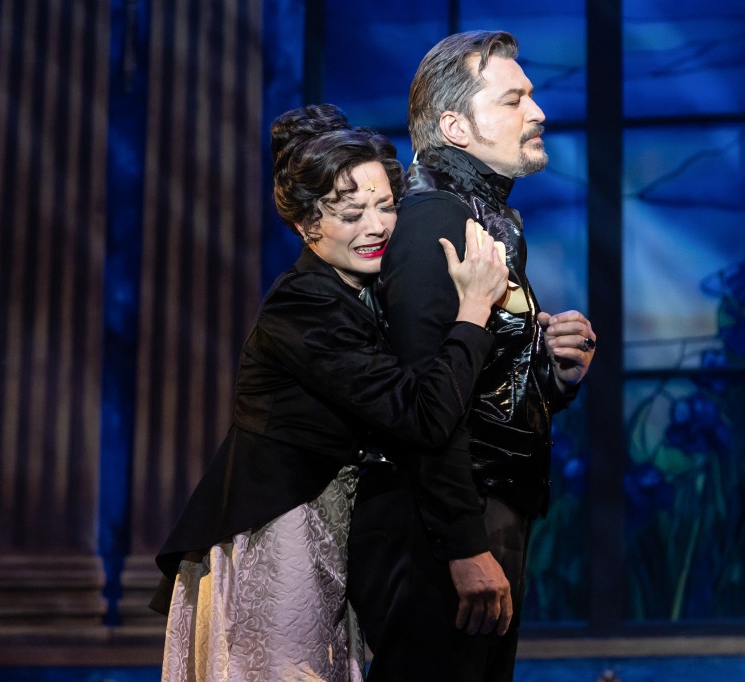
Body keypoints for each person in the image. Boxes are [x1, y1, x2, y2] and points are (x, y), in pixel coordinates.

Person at [151, 103, 510, 682]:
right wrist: (472, 312)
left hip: (330, 528)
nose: (377, 226)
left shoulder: (363, 290)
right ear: (305, 225)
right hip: (279, 531)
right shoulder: (305, 304)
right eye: (351, 213)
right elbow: (423, 416)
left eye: (386, 206)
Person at [347, 31, 597, 681]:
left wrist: (553, 376)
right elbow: (420, 402)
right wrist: (463, 546)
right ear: (455, 127)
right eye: (513, 100)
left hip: (476, 515)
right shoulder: (435, 222)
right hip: (438, 529)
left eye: (531, 96)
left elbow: (476, 389)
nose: (537, 112)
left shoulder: (481, 217)